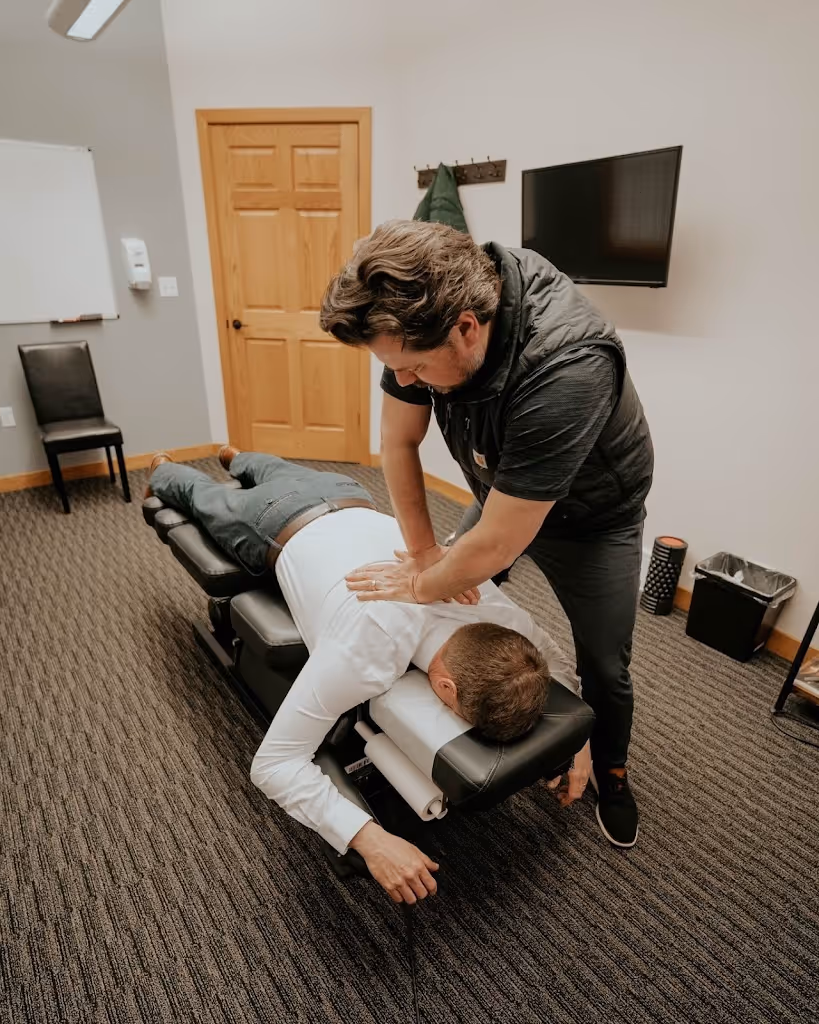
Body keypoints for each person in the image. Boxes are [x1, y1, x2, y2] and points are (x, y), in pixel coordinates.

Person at [320, 220, 654, 849]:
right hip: (506, 490)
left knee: (605, 662)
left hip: (592, 521)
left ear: (467, 328)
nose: (405, 381)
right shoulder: (417, 327)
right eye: (396, 369)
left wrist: (421, 584)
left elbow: (497, 545)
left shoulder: (568, 366)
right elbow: (398, 442)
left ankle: (612, 772)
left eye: (415, 368)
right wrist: (425, 557)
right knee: (449, 591)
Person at [146, 448, 590, 903]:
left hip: (349, 494)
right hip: (272, 522)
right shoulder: (369, 650)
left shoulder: (490, 605)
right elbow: (274, 764)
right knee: (195, 492)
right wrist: (368, 838)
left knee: (266, 466)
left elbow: (554, 662)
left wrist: (577, 741)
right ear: (445, 688)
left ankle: (237, 458)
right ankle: (163, 467)